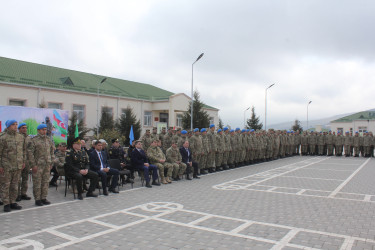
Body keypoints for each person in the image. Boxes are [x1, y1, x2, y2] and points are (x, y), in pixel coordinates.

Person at [0, 120, 25, 212]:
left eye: (16, 124)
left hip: (17, 165)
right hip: (6, 166)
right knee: (6, 185)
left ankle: (13, 202)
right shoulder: (3, 137)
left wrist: (23, 162)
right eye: (13, 125)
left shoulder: (20, 137)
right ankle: (6, 203)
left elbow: (23, 150)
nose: (15, 126)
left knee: (15, 185)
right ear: (8, 126)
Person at [28, 124, 55, 206]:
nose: (44, 131)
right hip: (38, 165)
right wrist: (33, 165)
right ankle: (37, 199)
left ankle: (43, 197)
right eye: (42, 129)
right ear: (38, 130)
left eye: (45, 129)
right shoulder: (34, 140)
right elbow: (30, 153)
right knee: (37, 182)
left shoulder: (48, 139)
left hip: (47, 165)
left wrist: (51, 162)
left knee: (45, 182)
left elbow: (51, 151)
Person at [16, 123, 32, 201]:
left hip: (27, 161)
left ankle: (23, 193)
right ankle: (17, 194)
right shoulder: (17, 137)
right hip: (18, 161)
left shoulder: (29, 138)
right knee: (18, 179)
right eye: (22, 128)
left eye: (25, 128)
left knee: (25, 178)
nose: (25, 129)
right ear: (19, 129)